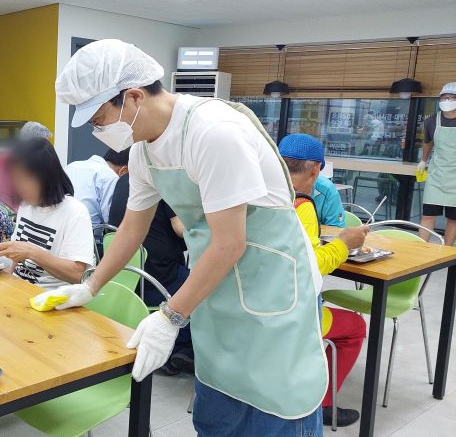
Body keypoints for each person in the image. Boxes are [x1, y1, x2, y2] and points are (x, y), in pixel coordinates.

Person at [42, 39, 327, 435]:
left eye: (99, 119)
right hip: (215, 284)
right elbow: (132, 229)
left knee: (273, 412)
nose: (98, 131)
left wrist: (170, 315)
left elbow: (230, 243)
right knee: (218, 409)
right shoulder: (144, 151)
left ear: (134, 96)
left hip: (275, 289)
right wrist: (90, 285)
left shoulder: (214, 132)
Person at [279, 133, 369, 427]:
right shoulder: (302, 205)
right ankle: (325, 405)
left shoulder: (265, 195)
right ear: (316, 169)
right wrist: (343, 244)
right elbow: (311, 267)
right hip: (291, 315)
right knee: (355, 326)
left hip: (257, 306)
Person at [107, 150, 192, 375]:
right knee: (200, 286)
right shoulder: (164, 183)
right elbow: (181, 229)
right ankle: (181, 349)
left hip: (124, 275)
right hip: (156, 279)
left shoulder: (123, 181)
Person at [0, 138, 95, 288]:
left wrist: (32, 252)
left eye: (23, 180)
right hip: (18, 289)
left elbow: (78, 275)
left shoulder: (75, 212)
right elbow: (16, 259)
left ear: (45, 177)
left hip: (51, 296)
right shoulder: (26, 205)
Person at [0, 121, 52, 215]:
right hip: (8, 214)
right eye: (43, 145)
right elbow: (2, 195)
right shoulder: (8, 161)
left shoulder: (25, 159)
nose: (45, 149)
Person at [419, 82, 456, 245]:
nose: (447, 100)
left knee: (454, 218)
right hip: (437, 175)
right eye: (444, 97)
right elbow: (428, 142)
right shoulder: (432, 121)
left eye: (452, 97)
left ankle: (447, 251)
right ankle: (420, 249)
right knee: (428, 215)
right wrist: (423, 160)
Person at [65, 148, 127, 241]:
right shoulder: (110, 176)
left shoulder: (72, 165)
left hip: (57, 231)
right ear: (124, 171)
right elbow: (110, 220)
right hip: (85, 240)